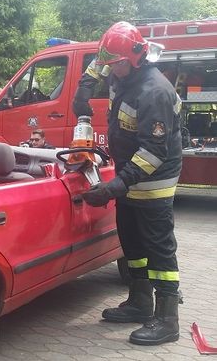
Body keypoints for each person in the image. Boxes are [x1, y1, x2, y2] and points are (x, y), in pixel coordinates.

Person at [79, 22, 182, 346]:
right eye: (109, 64)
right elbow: (99, 62)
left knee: (158, 248)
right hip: (129, 174)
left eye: (116, 65)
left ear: (134, 59)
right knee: (132, 242)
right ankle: (140, 301)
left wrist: (115, 186)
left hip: (154, 180)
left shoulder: (154, 92)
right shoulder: (120, 70)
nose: (111, 70)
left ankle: (167, 320)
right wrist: (84, 89)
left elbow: (153, 152)